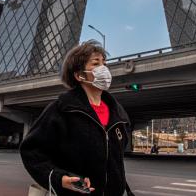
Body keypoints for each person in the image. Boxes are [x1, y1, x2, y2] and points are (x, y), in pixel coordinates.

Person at [21, 41, 134, 196]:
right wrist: (59, 178)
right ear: (79, 75)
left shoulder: (118, 113)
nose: (104, 69)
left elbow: (116, 161)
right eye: (96, 63)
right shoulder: (61, 110)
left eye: (104, 63)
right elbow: (32, 152)